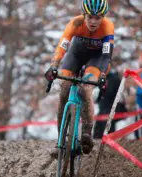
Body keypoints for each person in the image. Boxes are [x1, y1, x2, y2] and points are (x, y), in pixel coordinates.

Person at [45, 0, 114, 155]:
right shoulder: (75, 23)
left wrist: (102, 74)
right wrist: (54, 65)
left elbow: (106, 55)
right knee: (64, 90)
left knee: (85, 88)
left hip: (96, 59)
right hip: (75, 56)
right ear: (84, 14)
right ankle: (60, 141)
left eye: (98, 17)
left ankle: (87, 134)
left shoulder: (107, 27)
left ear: (103, 17)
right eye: (90, 17)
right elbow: (62, 45)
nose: (94, 21)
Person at [93, 69, 127, 138]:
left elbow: (120, 96)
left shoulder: (114, 79)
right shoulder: (101, 77)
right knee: (97, 134)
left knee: (109, 134)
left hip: (110, 109)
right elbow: (98, 94)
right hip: (102, 109)